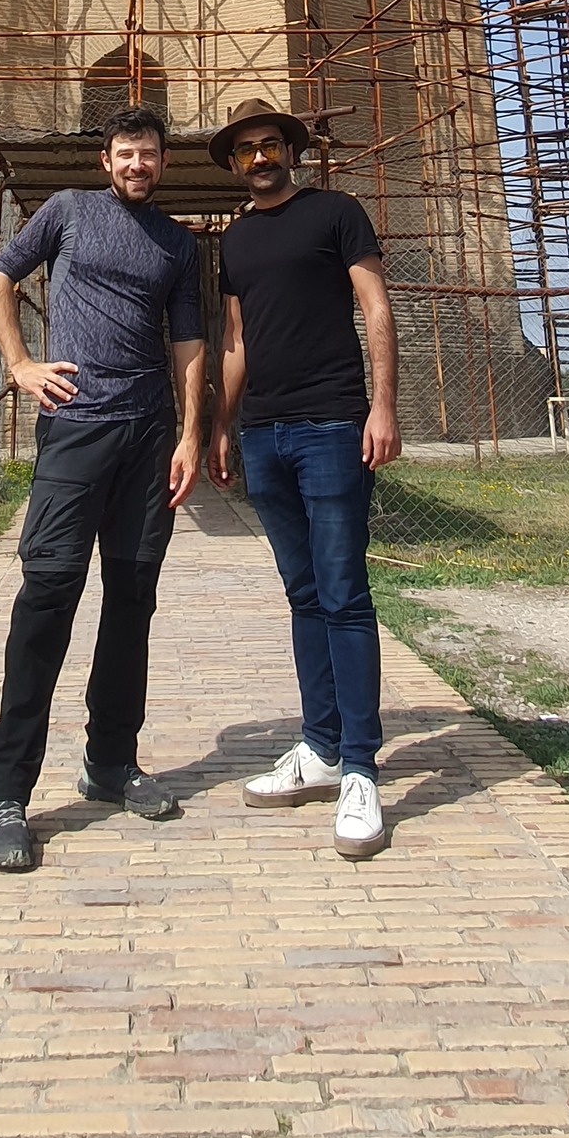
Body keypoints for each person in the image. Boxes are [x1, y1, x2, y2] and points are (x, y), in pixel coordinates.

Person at [0, 102, 205, 871]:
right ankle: (7, 789)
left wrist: (191, 433)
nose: (138, 164)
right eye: (126, 153)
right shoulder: (68, 211)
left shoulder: (178, 243)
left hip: (146, 436)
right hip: (76, 428)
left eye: (150, 154)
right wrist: (19, 364)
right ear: (106, 160)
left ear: (163, 162)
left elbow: (189, 344)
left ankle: (111, 759)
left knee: (133, 597)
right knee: (48, 594)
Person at [206, 97, 400, 860]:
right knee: (302, 594)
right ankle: (320, 746)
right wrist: (220, 424)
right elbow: (237, 338)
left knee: (345, 592)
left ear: (291, 149)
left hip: (331, 423)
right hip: (265, 431)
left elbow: (375, 307)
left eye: (271, 144)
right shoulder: (239, 240)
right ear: (232, 162)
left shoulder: (337, 212)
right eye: (247, 149)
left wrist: (381, 407)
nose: (260, 157)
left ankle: (360, 767)